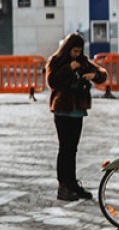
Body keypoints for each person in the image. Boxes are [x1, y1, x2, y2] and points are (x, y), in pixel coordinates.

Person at [46, 32, 107, 201]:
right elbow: (51, 82)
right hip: (62, 110)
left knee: (73, 148)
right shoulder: (56, 61)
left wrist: (94, 75)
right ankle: (63, 186)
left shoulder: (83, 62)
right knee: (65, 147)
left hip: (77, 111)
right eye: (74, 51)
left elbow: (102, 73)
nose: (77, 54)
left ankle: (72, 183)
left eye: (79, 51)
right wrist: (68, 69)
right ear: (67, 49)